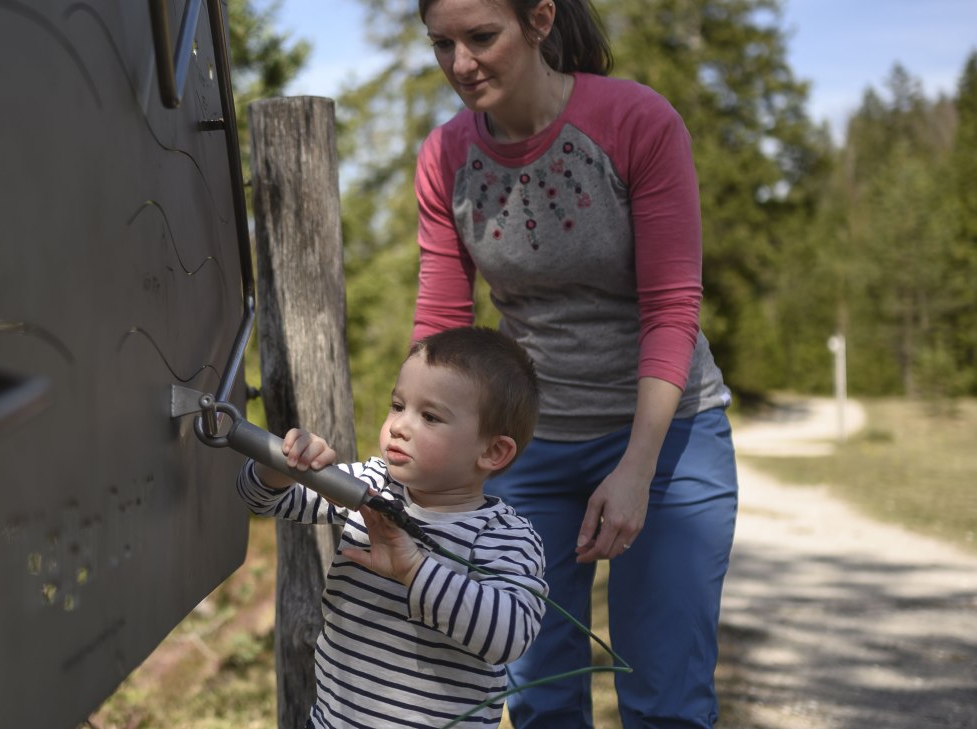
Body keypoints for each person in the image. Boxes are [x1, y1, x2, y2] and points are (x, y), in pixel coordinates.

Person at [409, 0, 739, 726]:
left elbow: (672, 306)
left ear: (539, 20)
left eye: (480, 37)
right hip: (528, 448)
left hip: (668, 437)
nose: (460, 64)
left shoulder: (635, 123)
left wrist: (635, 466)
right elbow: (441, 325)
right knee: (538, 695)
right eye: (441, 44)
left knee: (665, 698)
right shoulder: (444, 156)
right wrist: (420, 450)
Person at [237, 326, 548, 728]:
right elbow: (262, 500)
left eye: (430, 416)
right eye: (398, 405)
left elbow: (511, 637)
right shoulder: (372, 486)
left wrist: (414, 570)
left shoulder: (503, 536)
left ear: (492, 451)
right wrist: (279, 466)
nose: (400, 426)